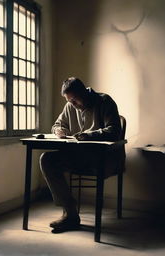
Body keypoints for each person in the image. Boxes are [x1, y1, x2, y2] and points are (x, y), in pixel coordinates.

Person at [40, 77, 123, 233]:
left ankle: (70, 216)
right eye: (68, 100)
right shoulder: (69, 105)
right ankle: (70, 213)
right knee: (47, 159)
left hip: (103, 158)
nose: (72, 104)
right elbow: (57, 124)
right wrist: (58, 130)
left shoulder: (104, 101)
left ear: (83, 92)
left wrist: (90, 135)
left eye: (74, 99)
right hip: (79, 157)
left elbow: (114, 131)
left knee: (52, 159)